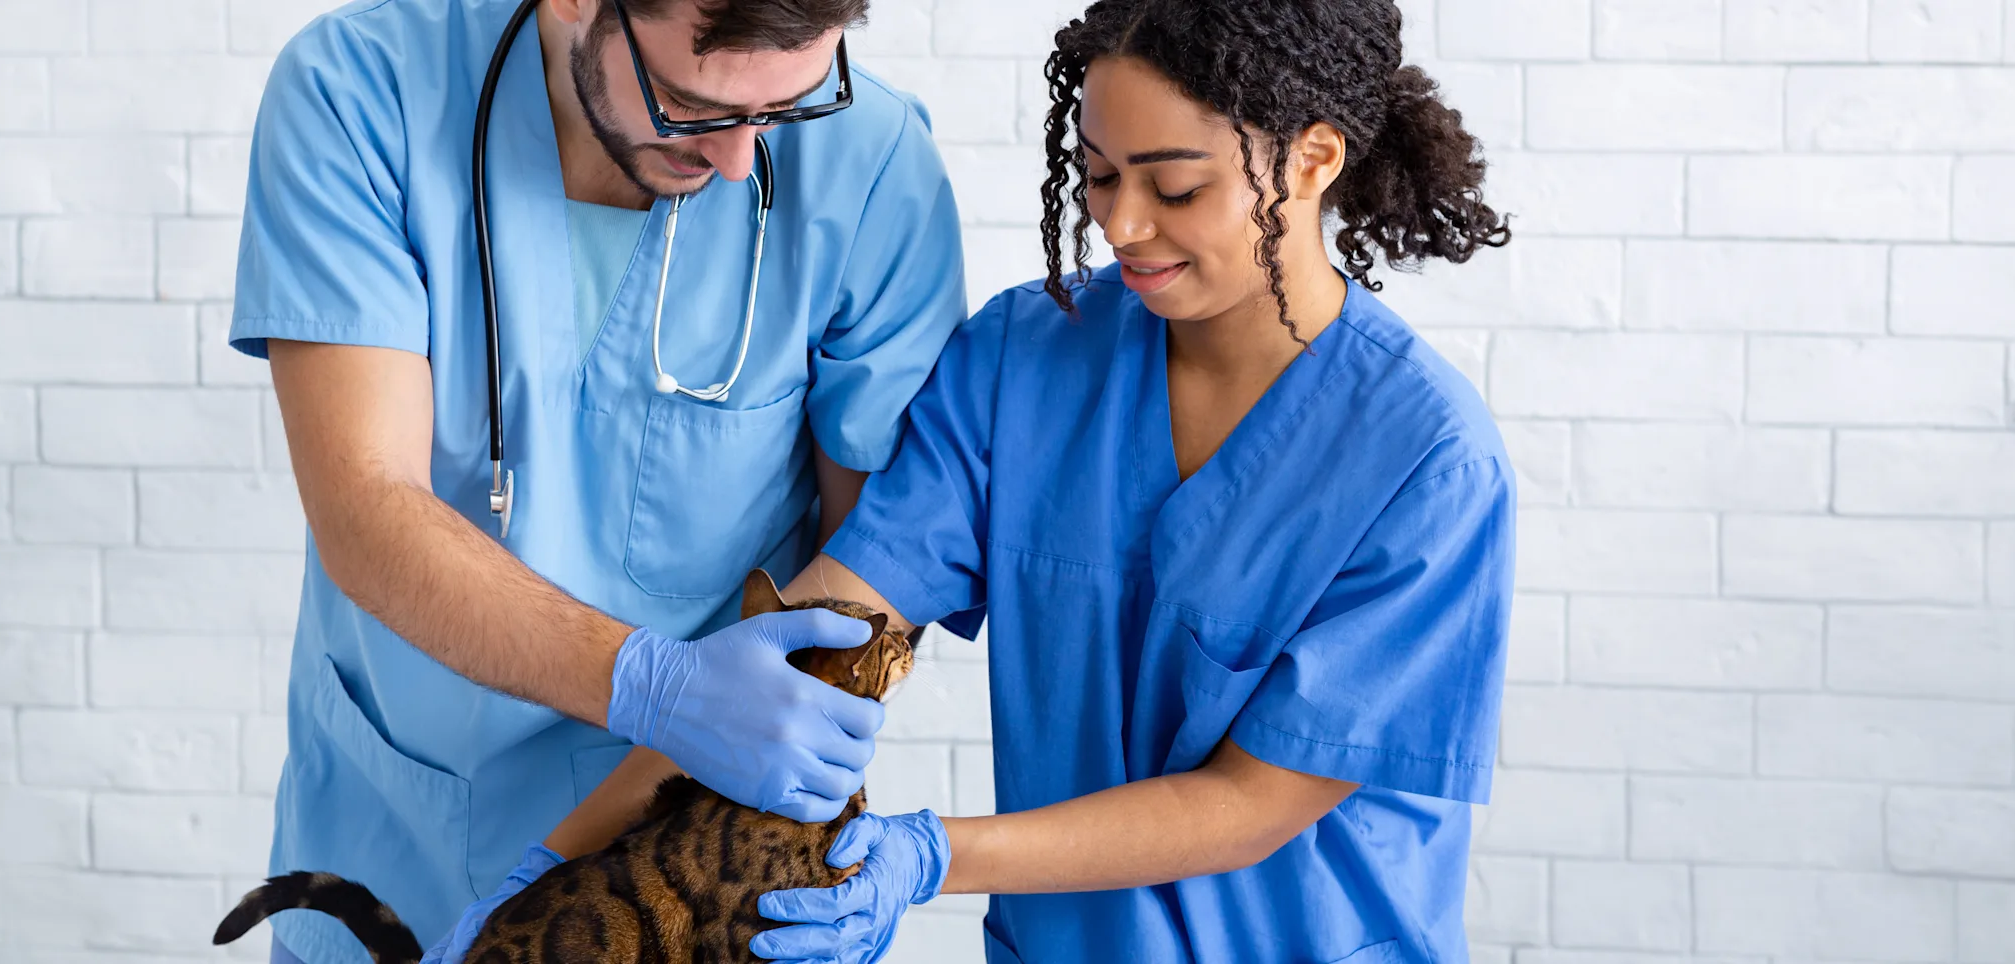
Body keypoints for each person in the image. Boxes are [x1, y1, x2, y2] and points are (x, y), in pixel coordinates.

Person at [430, 0, 1515, 961]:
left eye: (1175, 187)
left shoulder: (1425, 462)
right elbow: (798, 658)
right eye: (1095, 174)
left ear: (1313, 159)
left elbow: (1254, 802)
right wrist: (549, 864)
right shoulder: (1024, 362)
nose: (1120, 226)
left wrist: (926, 856)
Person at [230, 0, 966, 959]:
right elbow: (367, 506)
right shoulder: (361, 94)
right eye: (692, 103)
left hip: (686, 873)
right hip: (394, 825)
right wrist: (654, 685)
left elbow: (874, 576)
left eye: (782, 111)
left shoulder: (870, 167)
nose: (742, 159)